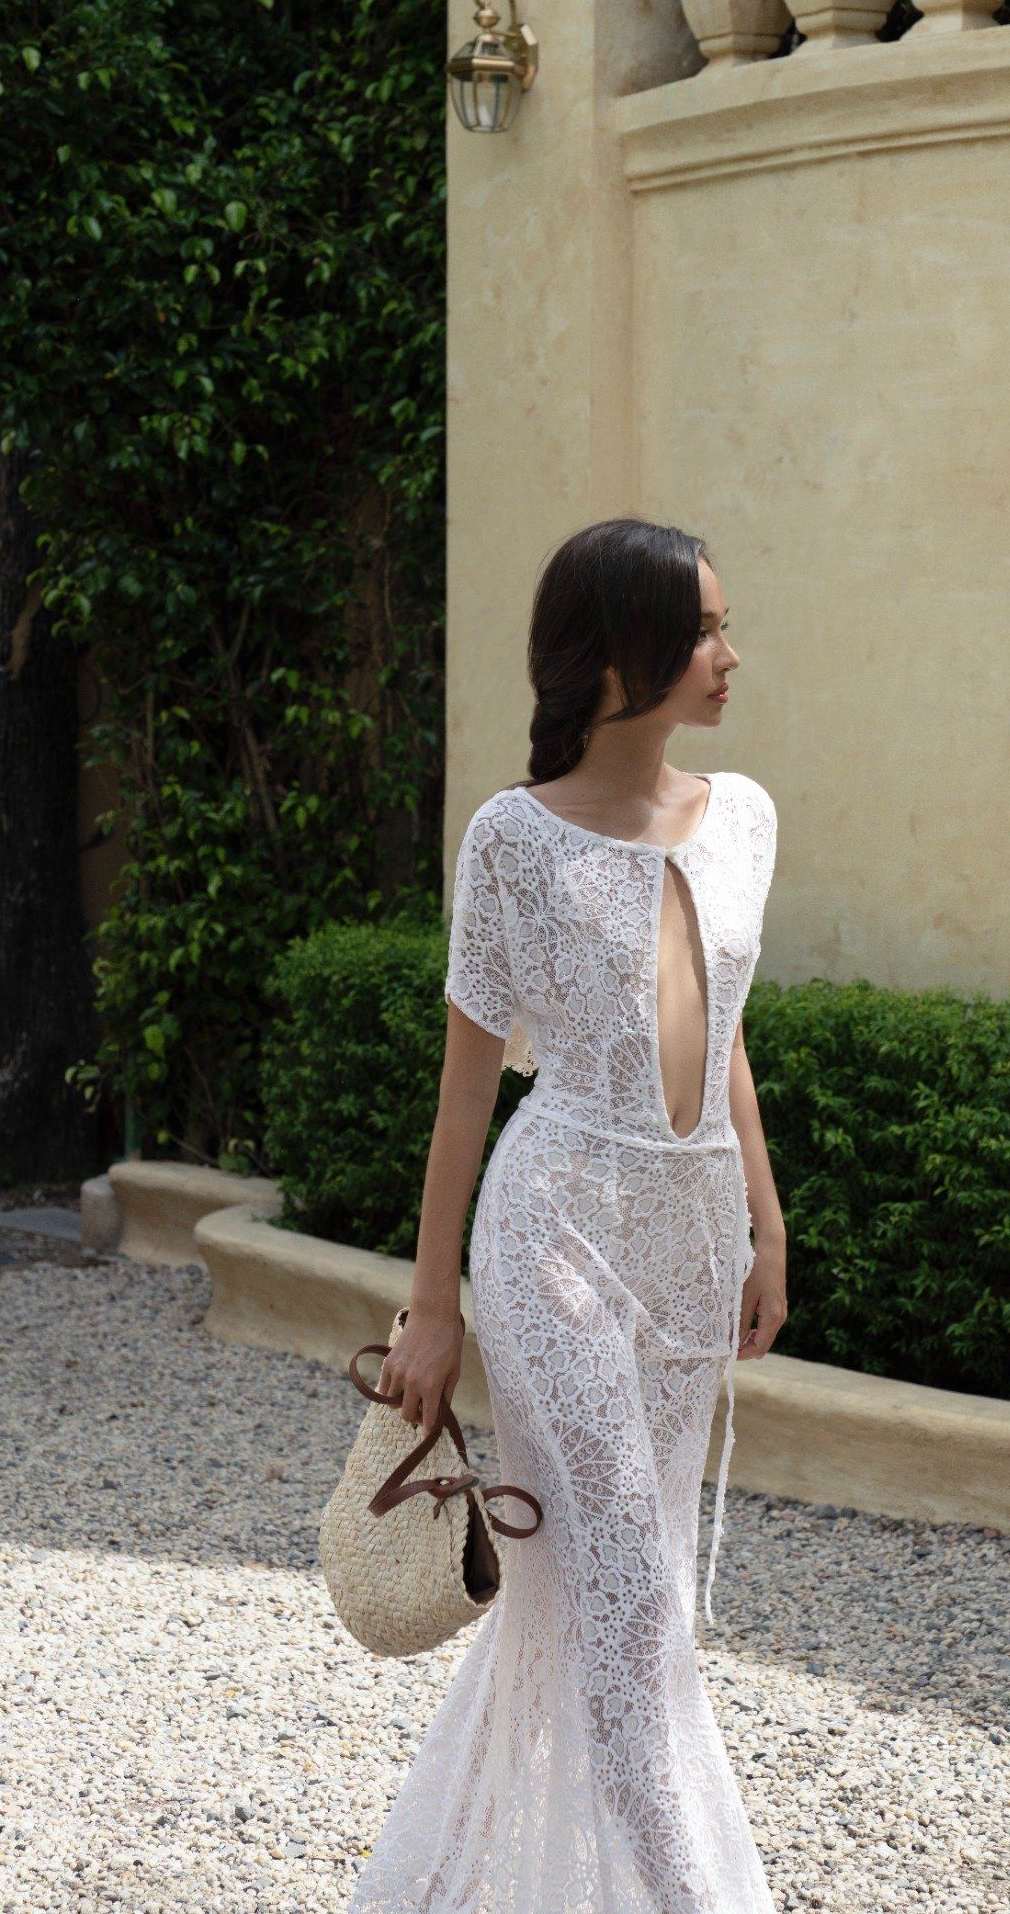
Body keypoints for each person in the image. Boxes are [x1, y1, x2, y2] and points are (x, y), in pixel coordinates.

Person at [348, 517, 787, 1914]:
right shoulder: (511, 841)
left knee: (608, 1582)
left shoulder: (746, 818)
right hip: (554, 1238)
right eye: (700, 630)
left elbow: (726, 1033)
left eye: (722, 625)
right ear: (613, 657)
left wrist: (766, 1223)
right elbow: (465, 1093)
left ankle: (486, 1877)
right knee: (632, 1592)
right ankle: (686, 1894)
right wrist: (432, 1307)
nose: (727, 655)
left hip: (694, 1237)